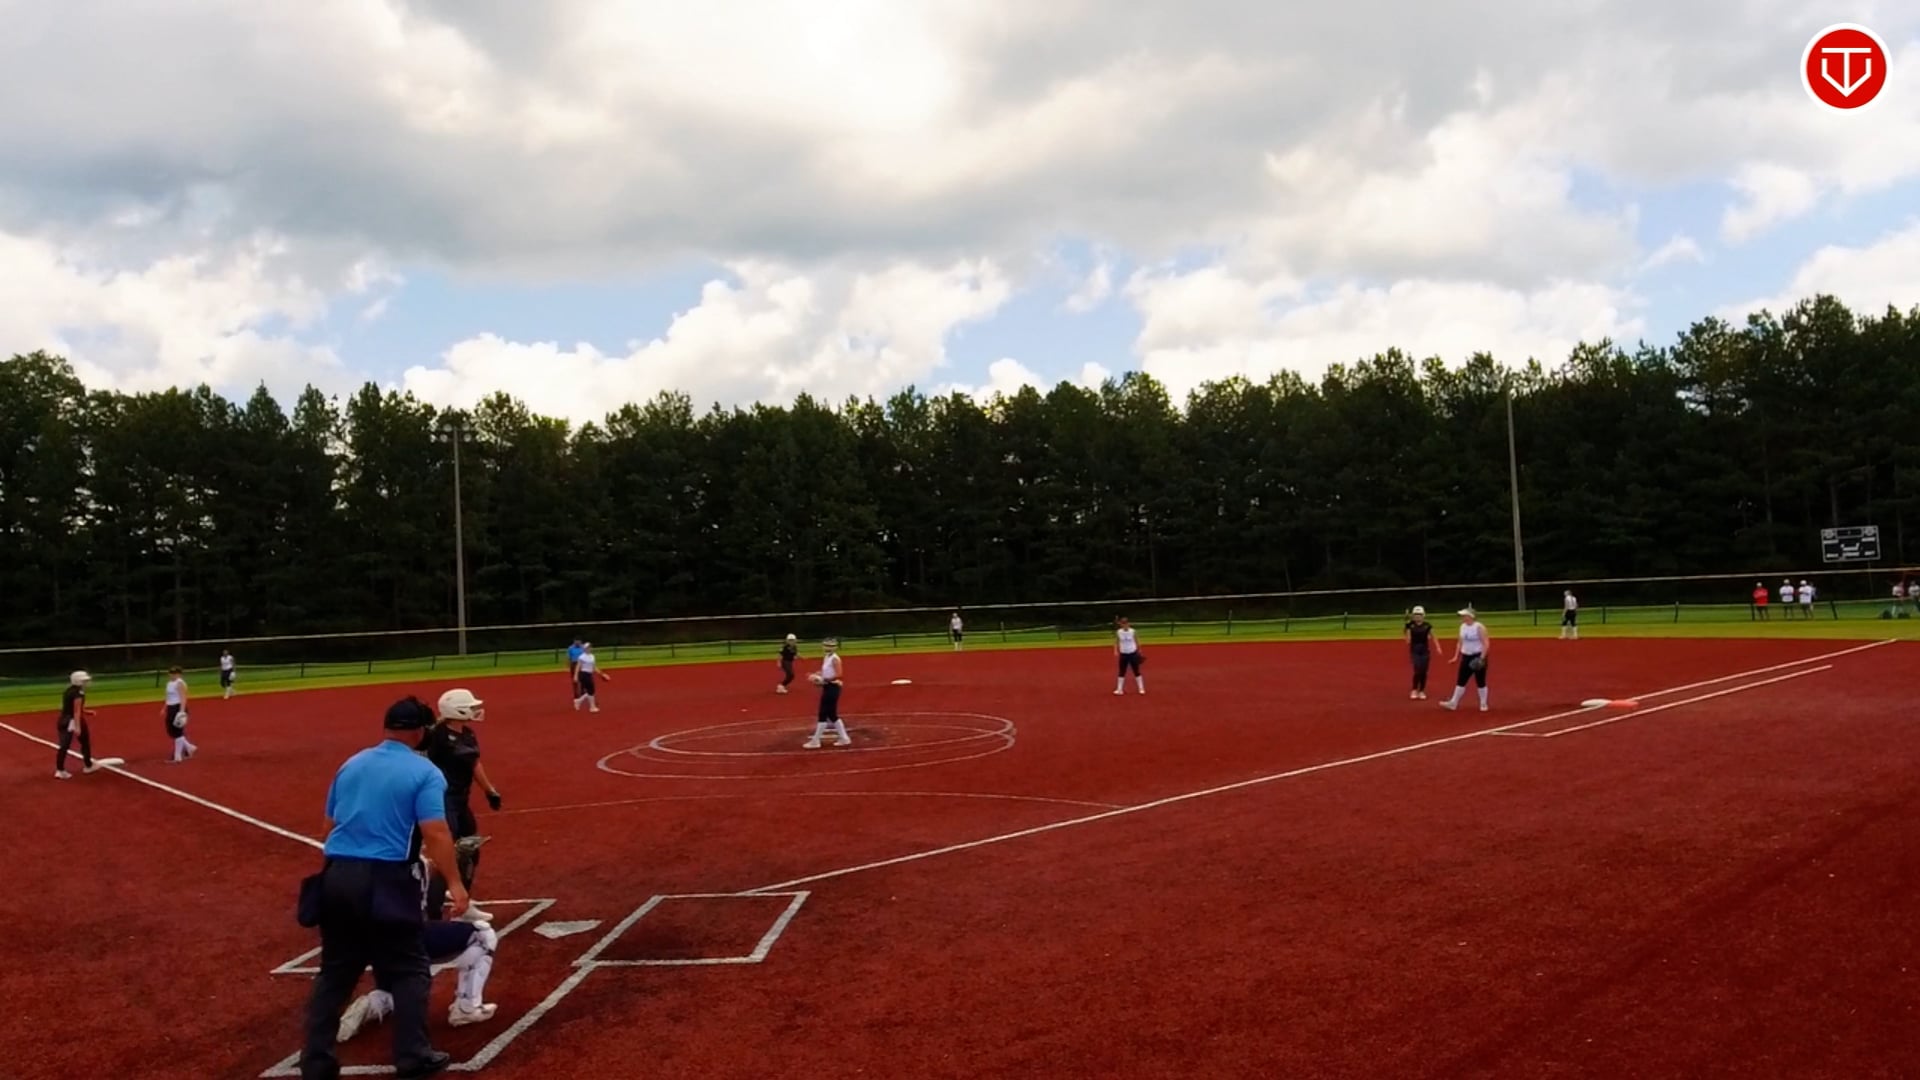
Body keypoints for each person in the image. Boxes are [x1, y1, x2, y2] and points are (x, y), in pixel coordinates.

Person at [299, 696, 465, 1080]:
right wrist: (456, 884)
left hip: (337, 875)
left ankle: (316, 1061)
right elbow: (436, 832)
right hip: (387, 877)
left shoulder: (351, 764)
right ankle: (413, 1055)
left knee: (335, 972)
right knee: (409, 967)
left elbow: (327, 828)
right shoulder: (425, 772)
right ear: (419, 731)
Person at [336, 852, 499, 1042]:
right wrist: (447, 871)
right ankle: (467, 1008)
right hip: (406, 939)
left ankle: (373, 1003)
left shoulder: (355, 863)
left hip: (362, 944)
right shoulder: (416, 864)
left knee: (392, 985)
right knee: (482, 934)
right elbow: (430, 909)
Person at [425, 689, 501, 925]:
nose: (475, 710)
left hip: (460, 800)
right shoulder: (436, 736)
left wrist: (489, 790)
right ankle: (432, 913)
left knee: (469, 849)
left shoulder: (467, 733)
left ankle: (463, 904)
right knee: (444, 855)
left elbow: (474, 763)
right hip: (441, 801)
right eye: (470, 706)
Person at [54, 671, 117, 779]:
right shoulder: (79, 694)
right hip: (72, 721)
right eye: (84, 681)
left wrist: (86, 711)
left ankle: (60, 769)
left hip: (64, 719)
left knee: (64, 745)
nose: (86, 683)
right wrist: (77, 726)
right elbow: (76, 711)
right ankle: (88, 765)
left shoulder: (69, 690)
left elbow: (71, 707)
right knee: (84, 742)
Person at [1440, 608, 1491, 713]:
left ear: (1471, 616)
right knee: (1461, 680)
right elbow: (1460, 642)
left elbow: (1486, 643)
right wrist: (1456, 656)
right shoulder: (1462, 627)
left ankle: (1483, 703)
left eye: (1464, 615)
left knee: (1480, 680)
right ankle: (1453, 703)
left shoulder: (1479, 627)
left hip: (1478, 656)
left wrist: (1481, 658)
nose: (1462, 617)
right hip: (1466, 656)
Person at [804, 638, 850, 749]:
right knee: (832, 714)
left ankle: (816, 741)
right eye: (826, 645)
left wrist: (822, 680)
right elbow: (827, 672)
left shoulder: (835, 659)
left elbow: (839, 675)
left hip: (832, 688)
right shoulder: (827, 657)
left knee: (823, 713)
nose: (828, 648)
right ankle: (844, 738)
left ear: (835, 647)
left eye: (831, 646)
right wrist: (817, 675)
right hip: (828, 687)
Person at [164, 666, 198, 764]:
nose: (172, 675)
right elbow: (168, 697)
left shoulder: (180, 683)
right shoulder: (169, 683)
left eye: (175, 673)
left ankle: (177, 757)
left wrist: (182, 712)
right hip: (171, 707)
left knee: (177, 732)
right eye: (171, 673)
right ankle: (189, 747)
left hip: (178, 707)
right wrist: (165, 708)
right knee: (171, 730)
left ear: (179, 674)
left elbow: (183, 698)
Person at [1403, 606, 1435, 700]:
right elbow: (1407, 639)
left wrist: (1438, 647)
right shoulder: (1410, 625)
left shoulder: (1427, 625)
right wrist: (1406, 628)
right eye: (1416, 615)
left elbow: (1432, 636)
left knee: (1424, 671)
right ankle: (1414, 690)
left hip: (1425, 651)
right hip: (1415, 651)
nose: (1418, 616)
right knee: (1417, 670)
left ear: (1423, 615)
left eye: (1419, 615)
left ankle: (1421, 690)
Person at [571, 642, 610, 713]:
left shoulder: (592, 656)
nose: (589, 648)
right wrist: (575, 676)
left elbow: (594, 667)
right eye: (587, 647)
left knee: (591, 691)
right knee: (591, 691)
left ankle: (578, 701)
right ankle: (592, 707)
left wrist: (602, 674)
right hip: (583, 674)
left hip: (589, 674)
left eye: (590, 647)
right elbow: (578, 667)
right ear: (584, 649)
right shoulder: (582, 657)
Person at [1113, 616, 1145, 695]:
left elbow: (1137, 640)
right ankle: (1119, 689)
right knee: (1122, 671)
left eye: (1126, 623)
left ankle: (1141, 688)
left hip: (1132, 653)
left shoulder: (1133, 631)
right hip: (1123, 654)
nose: (1124, 625)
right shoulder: (1118, 632)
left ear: (1128, 624)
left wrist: (1139, 650)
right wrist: (1115, 650)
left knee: (1136, 671)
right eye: (1123, 624)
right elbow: (1116, 642)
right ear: (1121, 624)